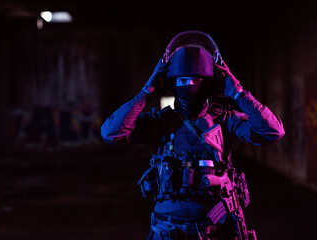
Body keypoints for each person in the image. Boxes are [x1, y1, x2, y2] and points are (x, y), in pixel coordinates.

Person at [101, 31, 285, 240]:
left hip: (215, 232)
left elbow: (273, 131)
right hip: (168, 232)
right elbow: (111, 133)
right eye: (182, 80)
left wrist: (238, 93)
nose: (189, 86)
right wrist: (146, 92)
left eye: (196, 80)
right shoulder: (159, 123)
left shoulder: (224, 121)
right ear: (170, 83)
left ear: (210, 83)